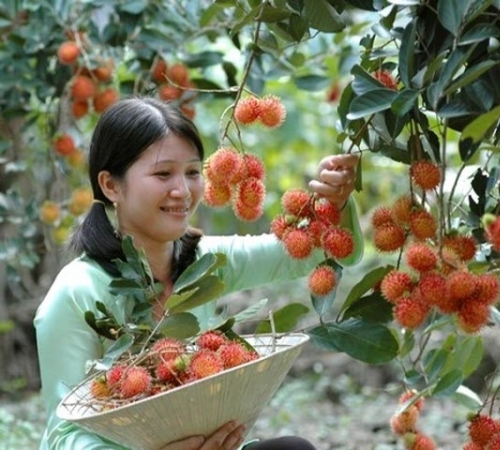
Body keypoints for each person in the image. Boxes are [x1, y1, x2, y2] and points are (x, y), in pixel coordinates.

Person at [34, 96, 363, 449]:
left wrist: (336, 202)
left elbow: (316, 253)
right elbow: (63, 436)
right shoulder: (76, 292)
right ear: (112, 185)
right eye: (163, 173)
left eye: (192, 172)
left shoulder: (204, 261)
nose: (183, 190)